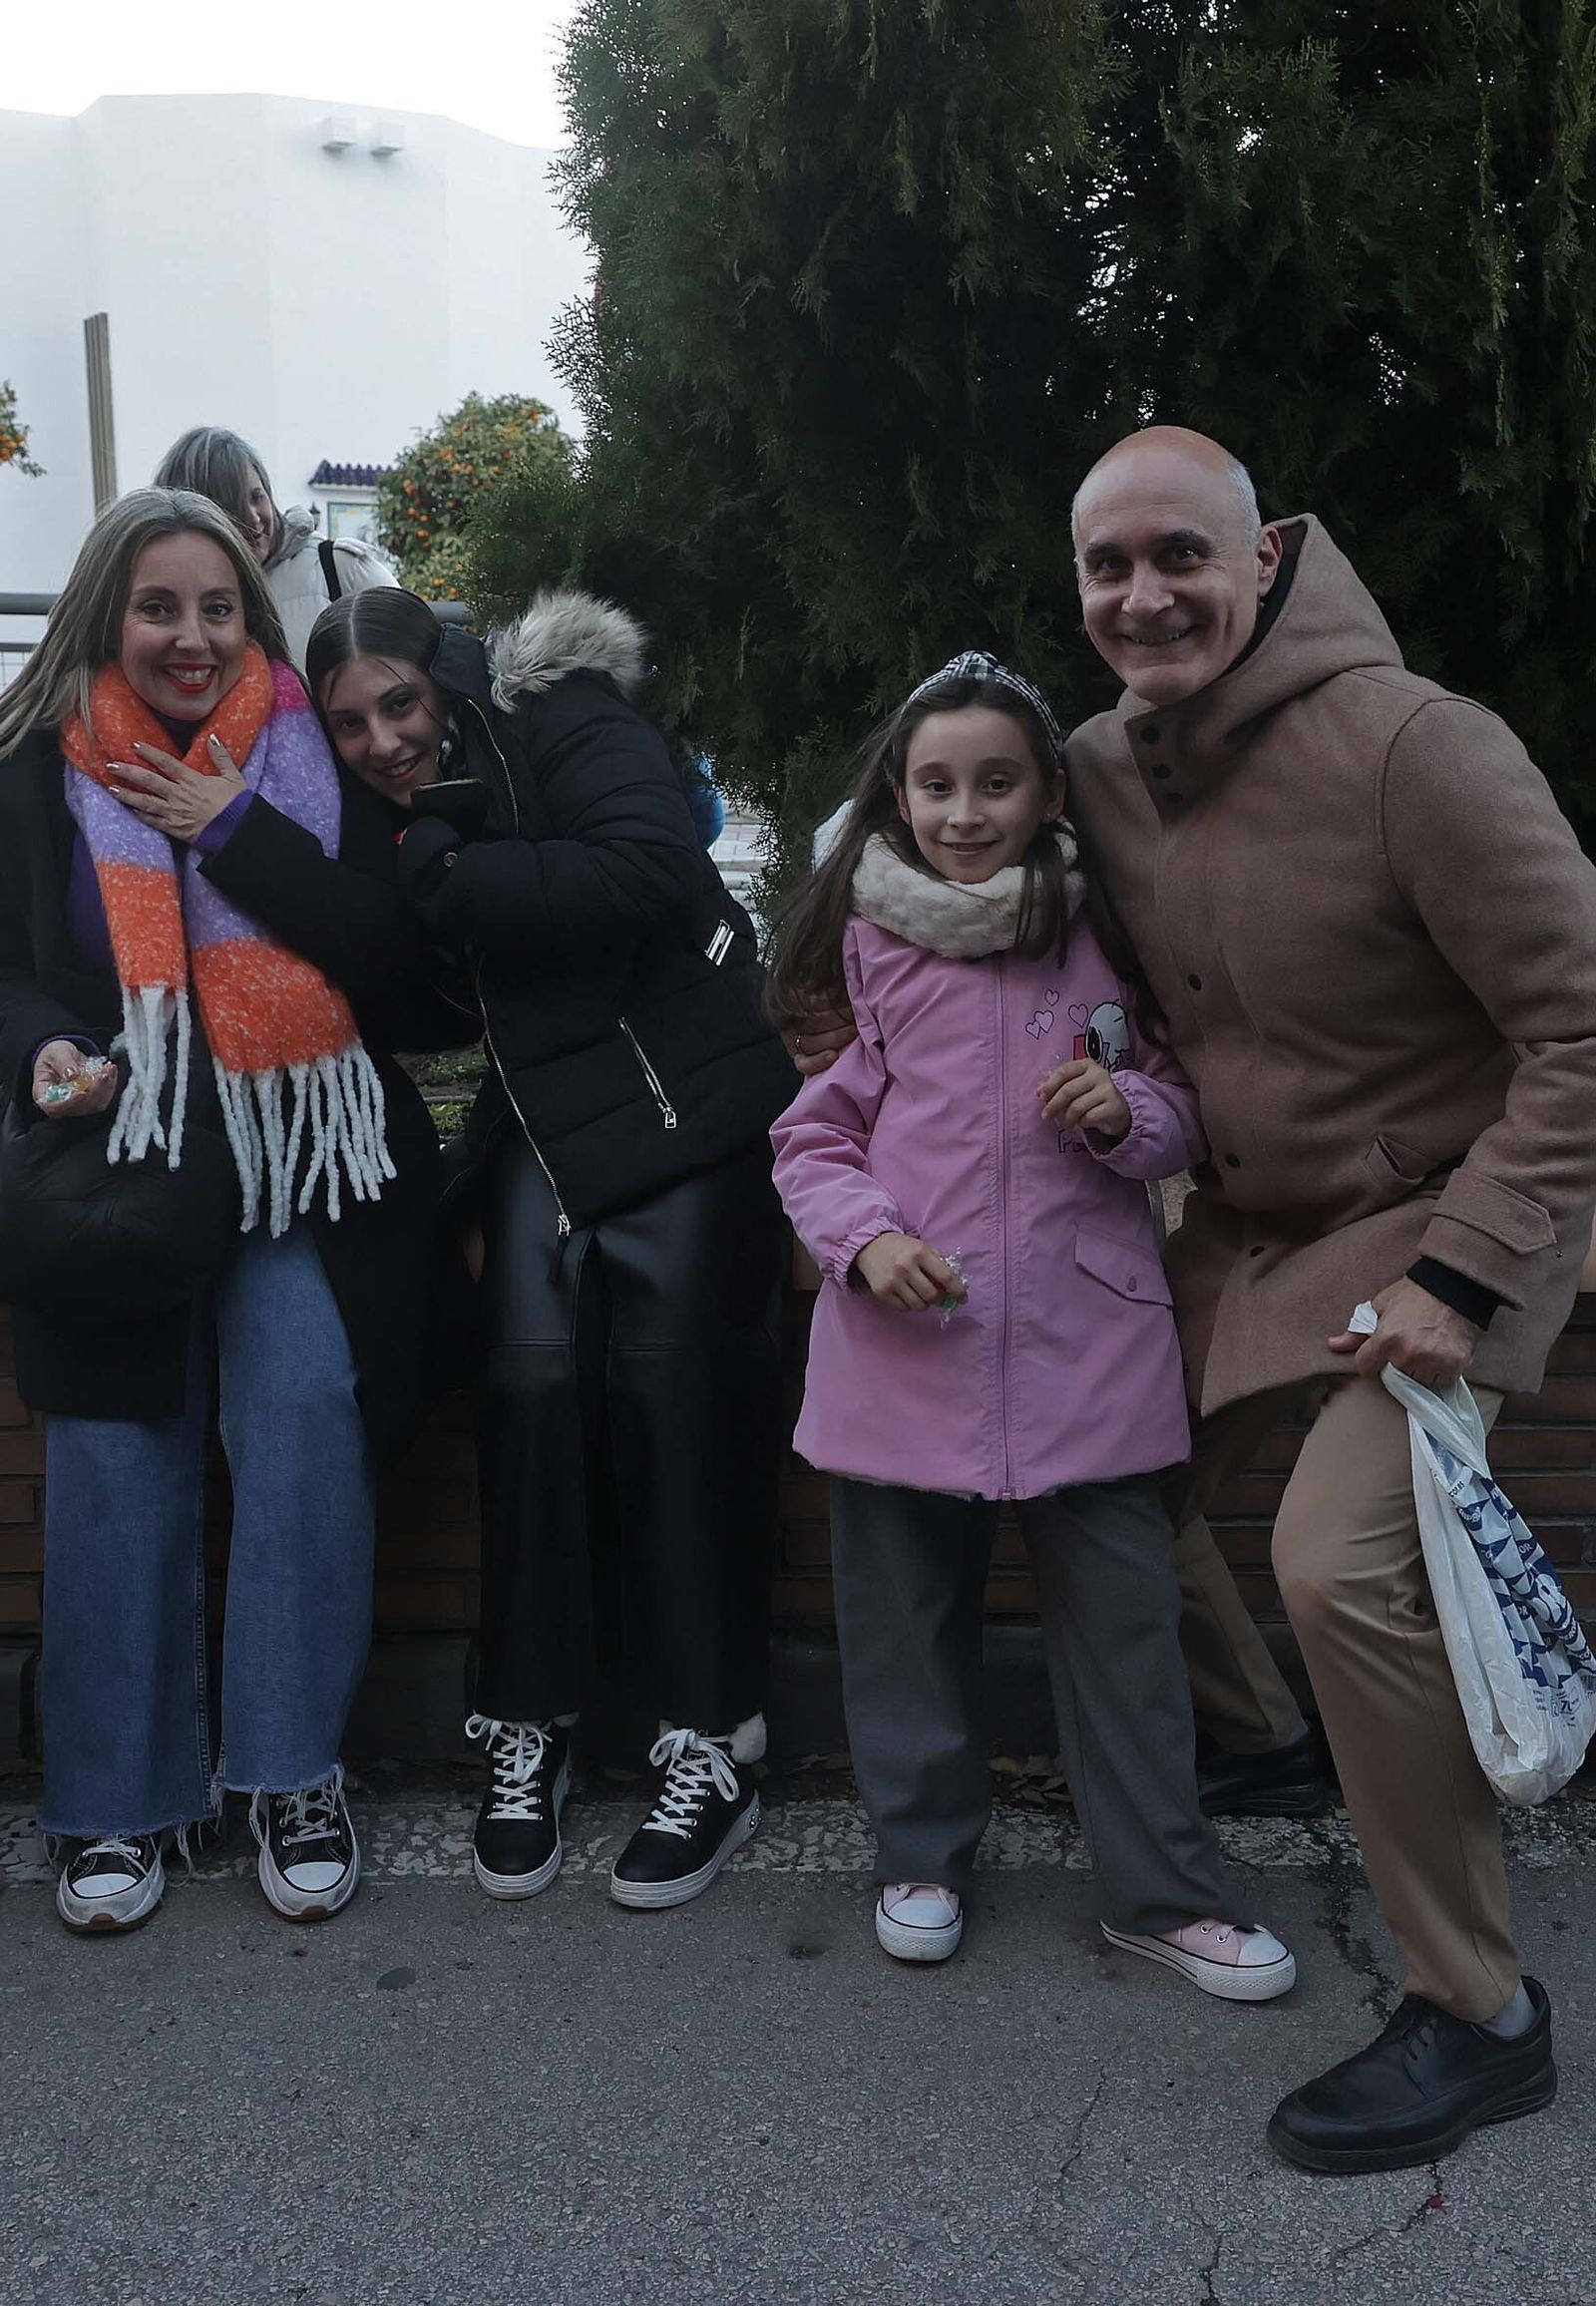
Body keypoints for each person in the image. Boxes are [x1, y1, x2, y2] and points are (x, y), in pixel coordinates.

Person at [765, 650, 1296, 1997]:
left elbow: (1181, 1093)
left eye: (995, 782)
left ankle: (1159, 1893)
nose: (963, 810)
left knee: (1127, 1629)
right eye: (935, 783)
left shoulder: (1105, 928)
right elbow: (811, 1140)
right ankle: (922, 1855)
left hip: (1090, 1343)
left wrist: (1133, 1119)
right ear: (898, 790)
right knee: (899, 1621)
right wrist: (866, 1239)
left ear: (1050, 788)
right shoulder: (866, 945)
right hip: (906, 1343)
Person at [0, 488, 453, 1933]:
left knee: (305, 1399)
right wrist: (43, 1052)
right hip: (118, 1150)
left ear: (252, 615)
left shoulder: (307, 751)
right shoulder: (30, 763)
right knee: (116, 1440)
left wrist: (234, 826)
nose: (190, 638)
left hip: (284, 1165)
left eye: (215, 608)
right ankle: (113, 1804)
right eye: (157, 607)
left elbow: (386, 957)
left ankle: (290, 1768)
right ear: (104, 614)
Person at [304, 584, 797, 1910]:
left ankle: (712, 1737)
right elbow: (419, 993)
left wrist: (459, 874)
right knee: (523, 1378)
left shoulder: (561, 711)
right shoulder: (383, 817)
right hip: (547, 1123)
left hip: (685, 1103)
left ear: (446, 678)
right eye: (349, 724)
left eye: (398, 703)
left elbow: (649, 871)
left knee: (664, 1373)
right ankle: (532, 1723)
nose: (383, 739)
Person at [154, 427, 395, 670]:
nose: (254, 517)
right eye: (233, 507)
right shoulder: (170, 603)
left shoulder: (342, 568)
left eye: (257, 497)